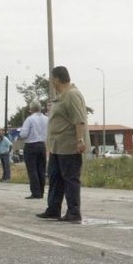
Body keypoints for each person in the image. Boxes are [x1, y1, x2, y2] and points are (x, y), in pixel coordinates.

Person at [37, 66, 88, 223]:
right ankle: (53, 209)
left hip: (69, 146)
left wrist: (80, 140)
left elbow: (79, 119)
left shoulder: (72, 95)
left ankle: (74, 212)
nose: (51, 81)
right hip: (57, 146)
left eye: (52, 78)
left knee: (70, 179)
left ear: (57, 79)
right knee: (55, 178)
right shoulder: (62, 96)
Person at [19, 100, 49, 199]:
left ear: (31, 109)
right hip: (42, 145)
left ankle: (35, 192)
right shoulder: (46, 119)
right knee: (41, 169)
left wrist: (19, 133)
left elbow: (23, 134)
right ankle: (41, 191)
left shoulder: (30, 119)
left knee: (32, 170)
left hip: (31, 145)